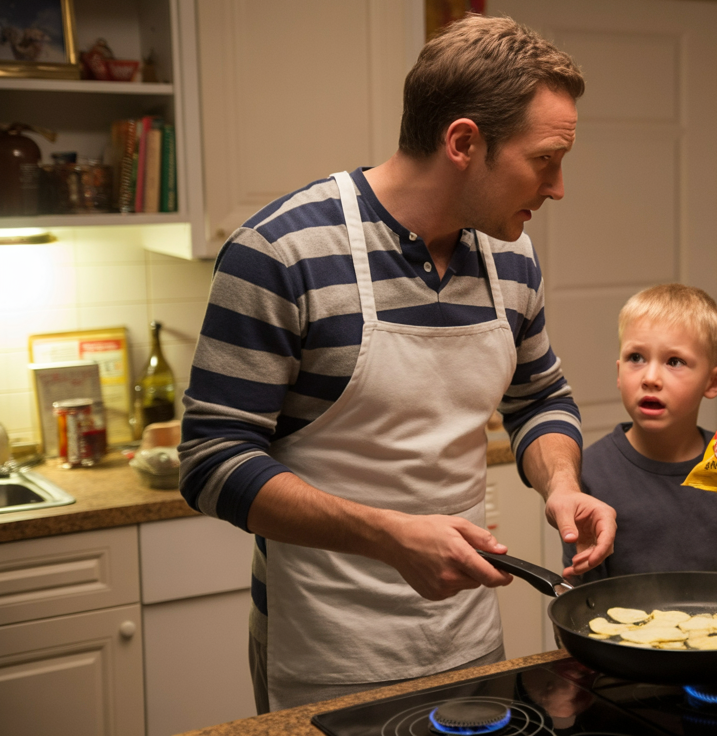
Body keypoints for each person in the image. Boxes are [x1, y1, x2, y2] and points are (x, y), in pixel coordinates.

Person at [178, 16, 616, 712]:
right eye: (545, 159)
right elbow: (211, 461)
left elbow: (539, 399)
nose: (558, 187)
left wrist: (560, 484)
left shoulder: (512, 258)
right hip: (323, 655)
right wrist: (389, 535)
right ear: (464, 142)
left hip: (470, 643)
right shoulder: (281, 253)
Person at [562, 284, 717, 582]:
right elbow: (582, 595)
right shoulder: (589, 474)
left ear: (713, 382)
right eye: (636, 358)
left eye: (674, 362)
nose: (650, 378)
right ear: (618, 372)